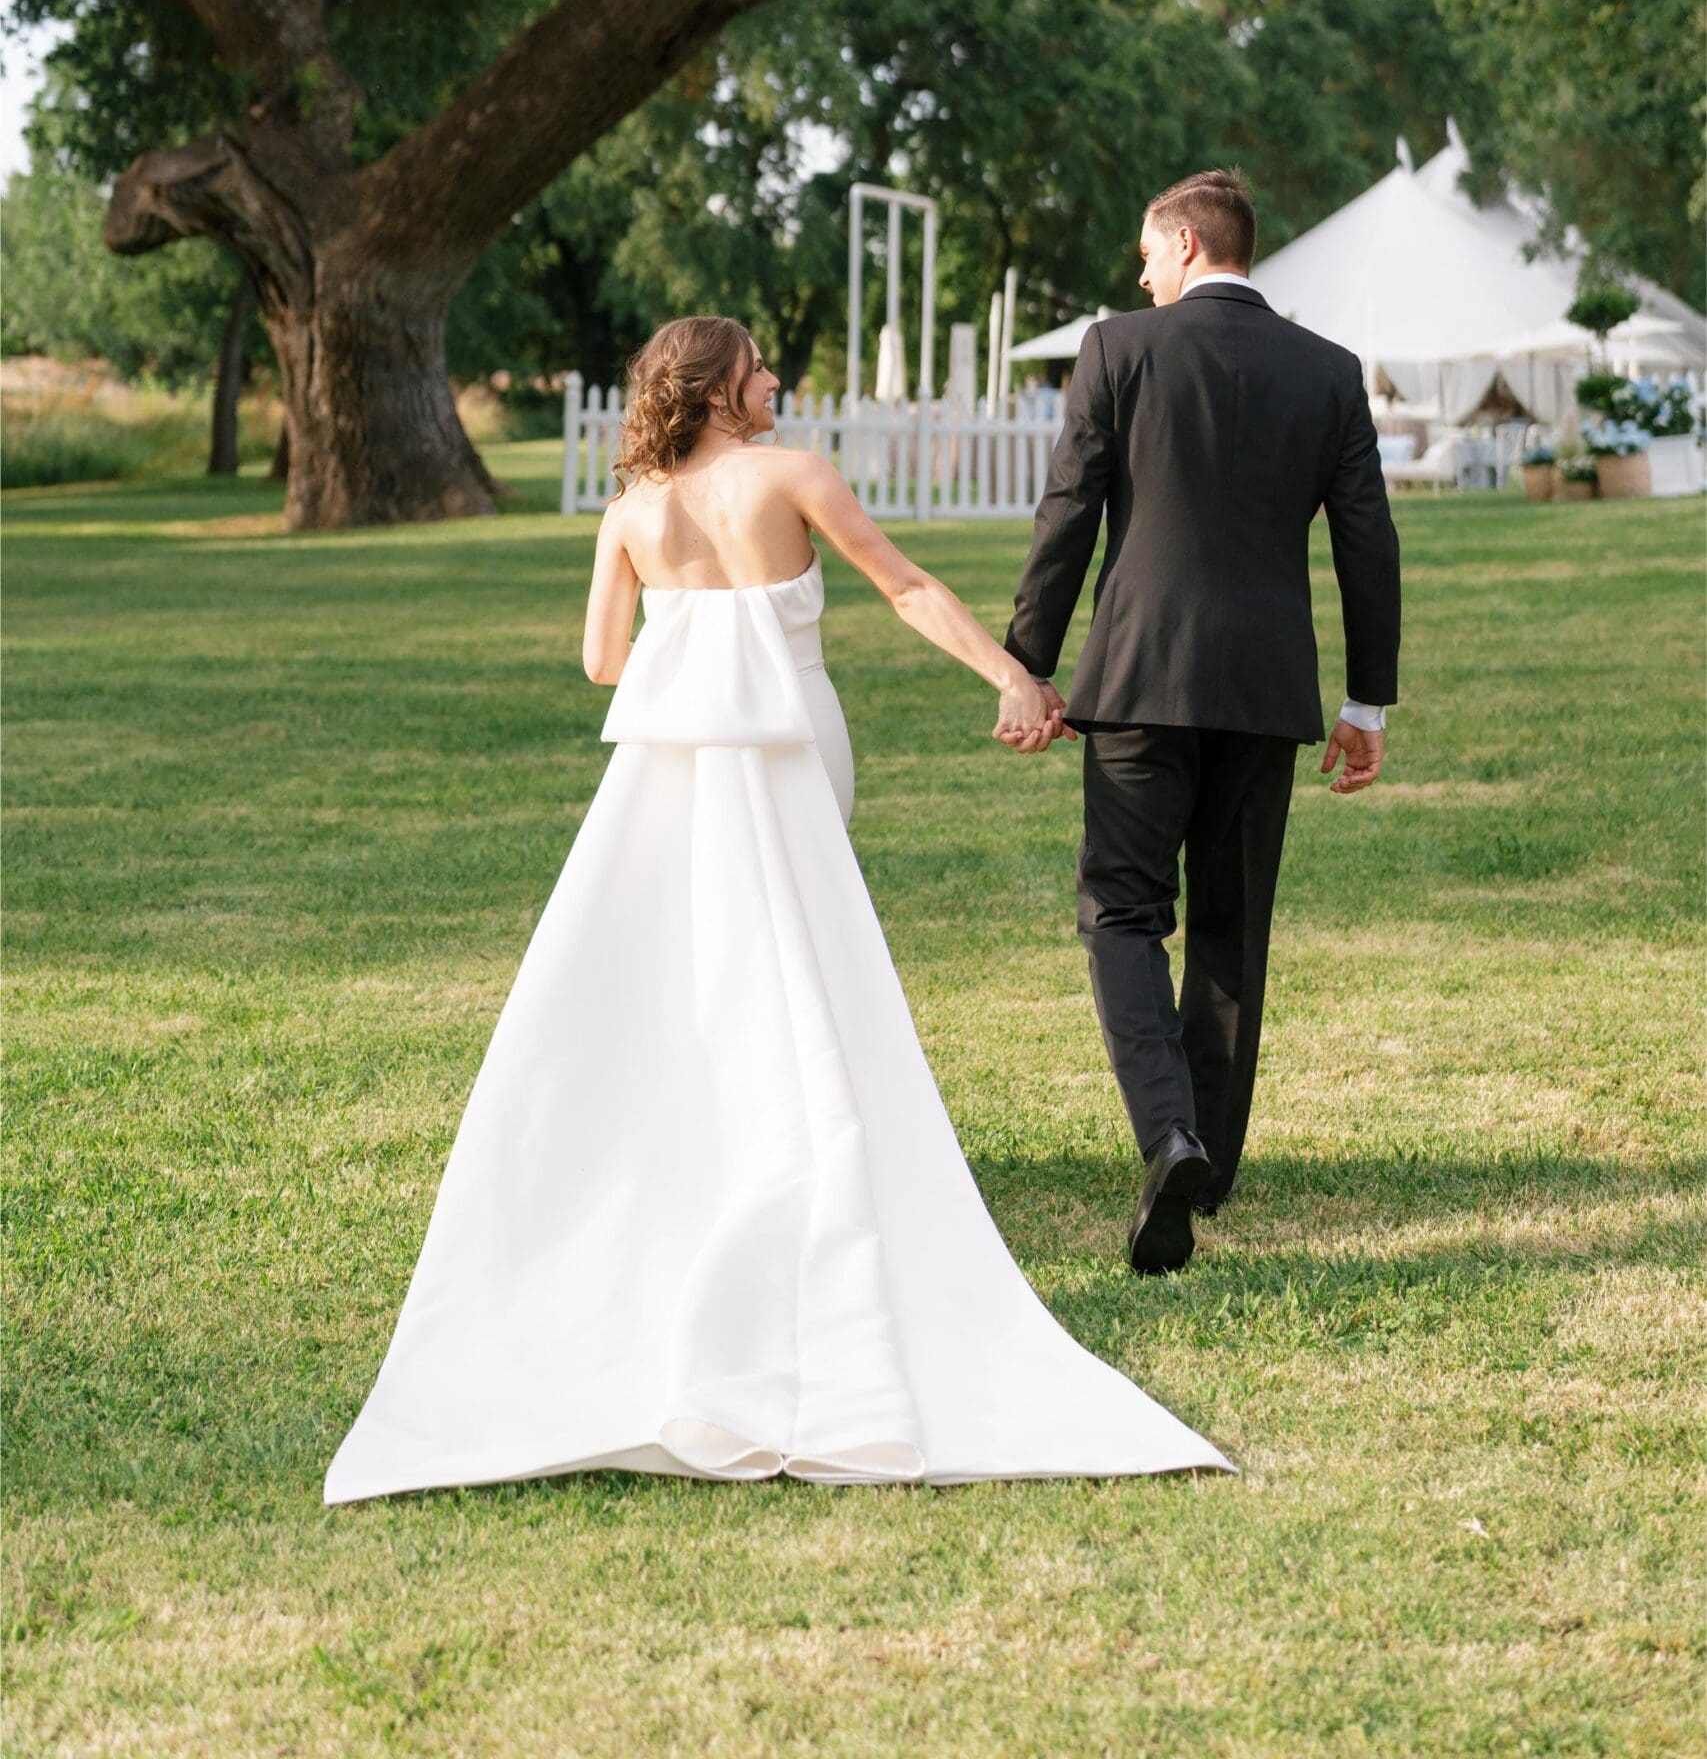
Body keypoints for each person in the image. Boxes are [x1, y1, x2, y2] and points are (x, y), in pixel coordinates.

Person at [323, 315, 1229, 1502]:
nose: (776, 380)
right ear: (715, 389)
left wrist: (682, 621)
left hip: (680, 768)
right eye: (758, 368)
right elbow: (902, 589)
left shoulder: (630, 515)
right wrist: (1011, 674)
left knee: (716, 967)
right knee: (803, 966)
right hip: (797, 753)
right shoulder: (795, 478)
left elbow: (602, 661)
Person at [1000, 169, 1402, 1279]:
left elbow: (1069, 510)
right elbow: (1367, 540)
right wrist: (1367, 699)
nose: (1137, 272)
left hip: (1135, 682)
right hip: (1267, 693)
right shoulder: (1326, 372)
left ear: (1184, 244)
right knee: (1231, 921)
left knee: (1122, 913)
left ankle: (1166, 1133)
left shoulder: (1117, 348)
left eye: (1145, 250)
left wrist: (1026, 663)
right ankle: (1207, 1162)